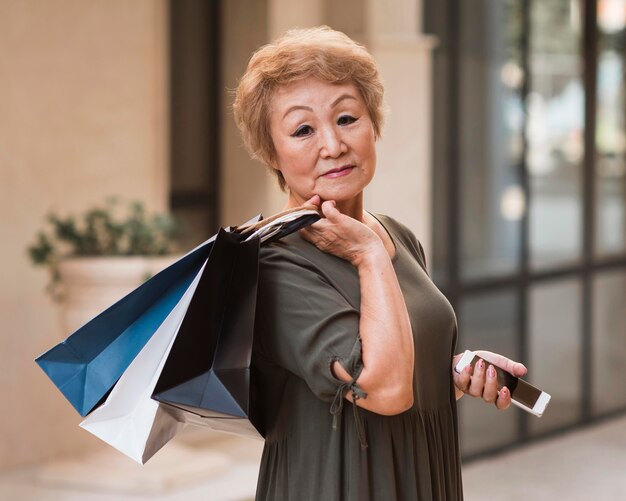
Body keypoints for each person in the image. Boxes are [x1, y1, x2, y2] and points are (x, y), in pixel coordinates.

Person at [233, 26, 527, 501]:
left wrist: (453, 375)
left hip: (422, 476)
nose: (332, 145)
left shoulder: (397, 235)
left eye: (347, 118)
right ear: (272, 153)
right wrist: (367, 255)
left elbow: (400, 365)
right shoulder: (274, 264)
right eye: (303, 129)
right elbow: (384, 391)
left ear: (374, 124)